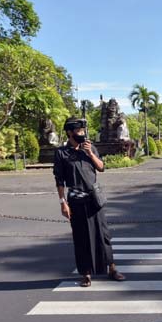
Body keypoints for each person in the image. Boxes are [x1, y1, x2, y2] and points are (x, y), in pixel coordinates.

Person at [54, 117, 125, 287]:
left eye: (83, 131)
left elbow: (101, 167)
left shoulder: (90, 147)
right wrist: (62, 202)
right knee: (81, 237)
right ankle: (86, 273)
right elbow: (59, 180)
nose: (82, 134)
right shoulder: (61, 153)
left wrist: (90, 153)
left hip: (94, 198)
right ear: (70, 133)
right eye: (79, 131)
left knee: (103, 235)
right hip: (76, 201)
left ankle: (112, 268)